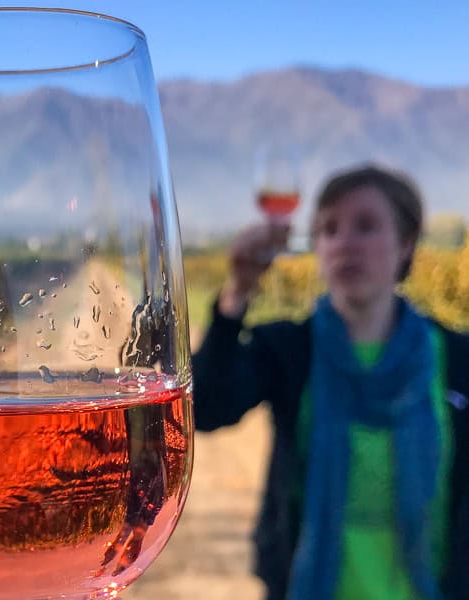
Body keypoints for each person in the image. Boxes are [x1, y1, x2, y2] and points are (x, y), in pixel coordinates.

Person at [192, 164, 469, 600]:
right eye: (329, 229)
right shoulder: (290, 349)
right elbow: (204, 408)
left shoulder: (456, 358)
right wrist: (237, 292)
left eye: (366, 226)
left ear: (406, 242)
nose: (344, 244)